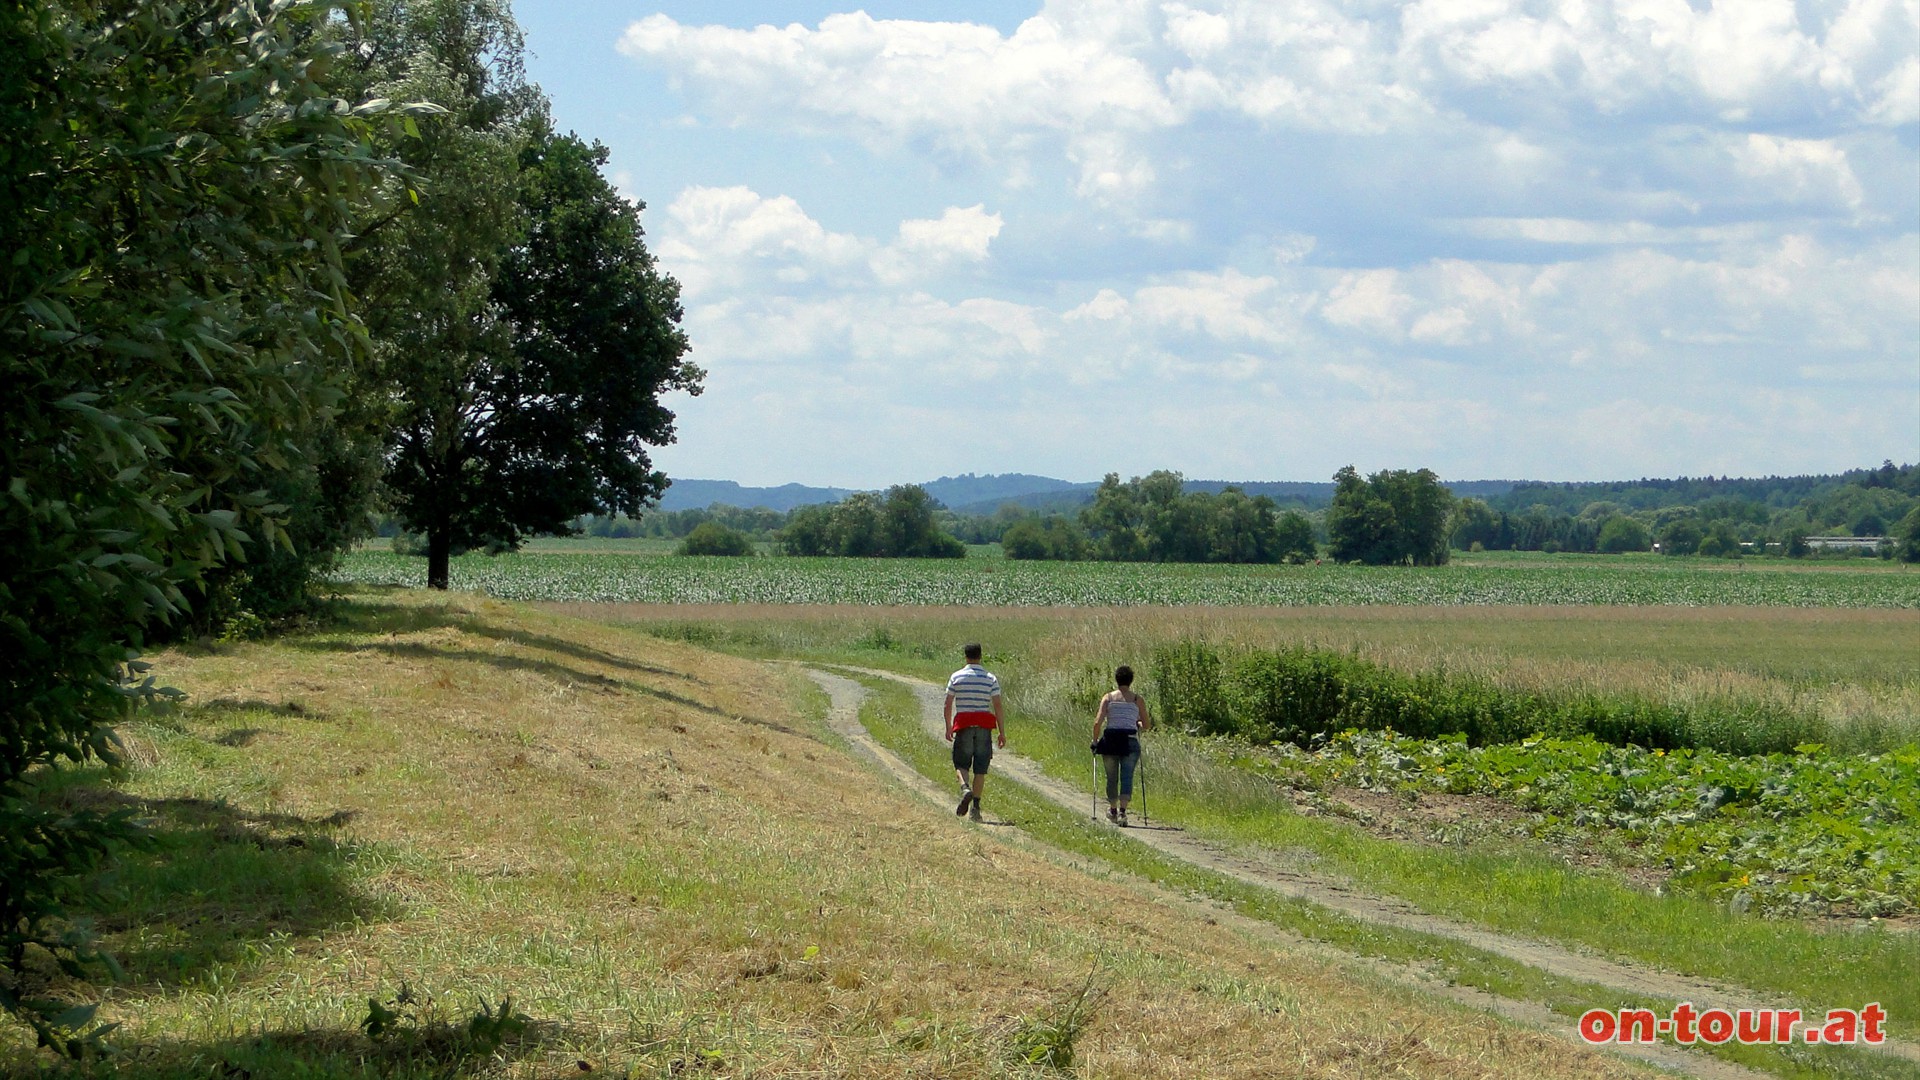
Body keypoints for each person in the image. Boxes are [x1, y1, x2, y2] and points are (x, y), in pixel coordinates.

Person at [944, 643, 1004, 823]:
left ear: (965, 656)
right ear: (980, 656)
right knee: (980, 768)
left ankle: (964, 789)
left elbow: (948, 704)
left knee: (961, 763)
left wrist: (948, 726)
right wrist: (1002, 732)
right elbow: (998, 706)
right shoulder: (990, 678)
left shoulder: (957, 676)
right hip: (984, 726)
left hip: (964, 725)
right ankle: (975, 809)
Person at [1089, 665, 1149, 826]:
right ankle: (1123, 812)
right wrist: (1137, 722)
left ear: (1117, 680)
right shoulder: (1137, 700)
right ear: (1131, 681)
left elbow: (1097, 723)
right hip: (1129, 741)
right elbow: (1146, 725)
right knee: (1127, 777)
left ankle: (1113, 809)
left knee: (1111, 778)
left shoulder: (1108, 698)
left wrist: (1095, 742)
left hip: (1111, 741)